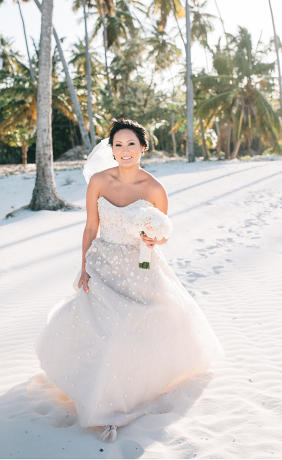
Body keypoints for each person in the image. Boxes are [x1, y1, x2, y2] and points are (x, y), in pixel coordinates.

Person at [36, 119, 223, 442]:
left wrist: (154, 239)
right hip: (102, 263)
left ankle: (127, 394)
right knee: (103, 332)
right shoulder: (98, 181)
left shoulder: (154, 188)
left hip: (141, 266)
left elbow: (163, 232)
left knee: (132, 329)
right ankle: (100, 403)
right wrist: (84, 267)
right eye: (118, 145)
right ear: (111, 149)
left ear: (143, 147)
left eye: (131, 144)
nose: (125, 151)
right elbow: (91, 227)